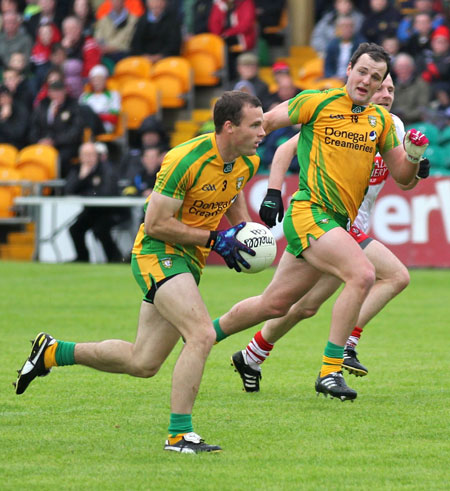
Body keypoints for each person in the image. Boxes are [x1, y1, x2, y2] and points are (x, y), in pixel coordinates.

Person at [14, 91, 265, 454]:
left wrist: (244, 237)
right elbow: (156, 223)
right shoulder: (184, 160)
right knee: (200, 334)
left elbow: (233, 196)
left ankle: (52, 352)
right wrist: (216, 239)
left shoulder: (247, 161)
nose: (262, 131)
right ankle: (180, 435)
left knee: (143, 362)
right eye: (254, 125)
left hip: (189, 259)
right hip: (157, 251)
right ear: (229, 127)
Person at [210, 43, 429, 402]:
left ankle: (206, 334)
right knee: (363, 275)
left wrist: (415, 157)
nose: (368, 82)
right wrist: (248, 170)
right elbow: (265, 125)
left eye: (377, 78)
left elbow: (404, 178)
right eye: (363, 72)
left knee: (277, 304)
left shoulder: (383, 123)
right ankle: (331, 369)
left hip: (336, 223)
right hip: (310, 212)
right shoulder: (318, 102)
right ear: (348, 68)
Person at [63, 141, 124, 263]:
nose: (88, 158)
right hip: (92, 211)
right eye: (85, 155)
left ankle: (114, 258)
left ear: (97, 156)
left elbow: (106, 192)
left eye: (91, 155)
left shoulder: (107, 168)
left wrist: (85, 193)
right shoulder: (78, 170)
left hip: (111, 211)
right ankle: (82, 258)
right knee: (75, 229)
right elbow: (68, 190)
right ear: (80, 157)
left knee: (100, 229)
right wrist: (82, 177)